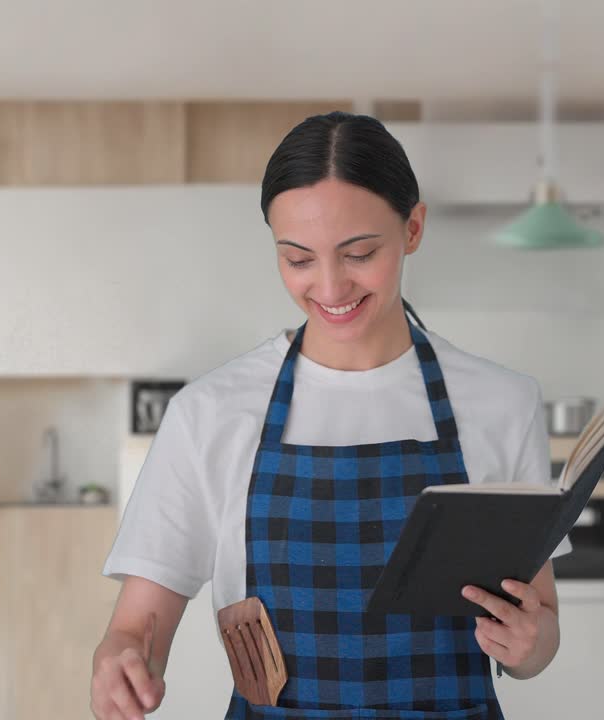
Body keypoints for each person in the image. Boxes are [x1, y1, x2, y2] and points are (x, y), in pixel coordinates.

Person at [90, 111, 572, 720]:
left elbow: (540, 629)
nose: (330, 286)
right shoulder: (210, 412)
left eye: (360, 253)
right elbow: (137, 627)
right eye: (297, 259)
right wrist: (122, 659)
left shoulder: (501, 403)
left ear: (414, 227)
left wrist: (531, 645)